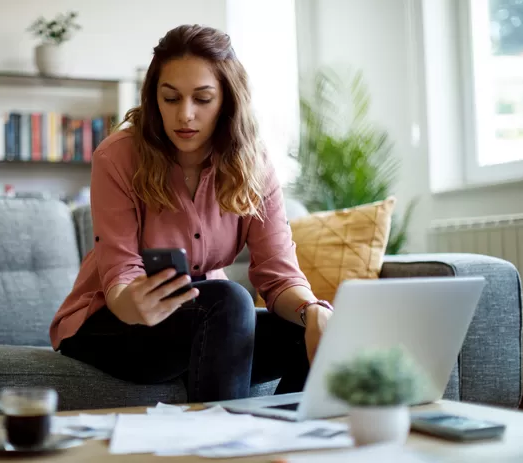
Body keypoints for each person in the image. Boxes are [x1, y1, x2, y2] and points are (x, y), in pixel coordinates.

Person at [49, 24, 333, 403]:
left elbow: (279, 275)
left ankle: (282, 437)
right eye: (171, 99)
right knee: (230, 301)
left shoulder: (254, 165)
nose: (185, 114)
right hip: (112, 322)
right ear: (154, 99)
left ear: (227, 101)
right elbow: (120, 273)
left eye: (202, 99)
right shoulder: (117, 156)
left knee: (310, 330)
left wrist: (310, 312)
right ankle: (219, 451)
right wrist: (130, 301)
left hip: (207, 321)